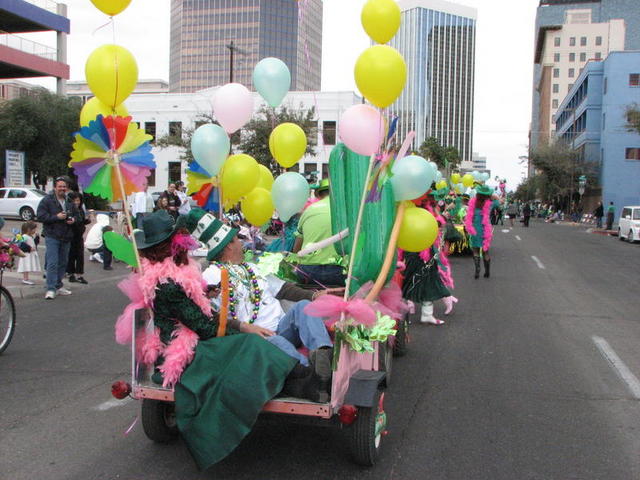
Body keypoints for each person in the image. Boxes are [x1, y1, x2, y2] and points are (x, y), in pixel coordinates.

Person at [117, 209, 304, 469]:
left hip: (191, 340)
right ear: (171, 246)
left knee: (249, 344)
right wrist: (243, 328)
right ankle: (294, 376)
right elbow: (204, 326)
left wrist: (206, 292)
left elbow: (192, 302)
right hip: (183, 352)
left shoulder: (172, 275)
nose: (186, 245)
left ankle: (291, 373)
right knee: (249, 345)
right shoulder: (168, 284)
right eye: (179, 240)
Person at [181, 208, 336, 400]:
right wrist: (246, 328)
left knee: (304, 306)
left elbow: (283, 289)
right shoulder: (209, 278)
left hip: (281, 328)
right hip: (253, 339)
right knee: (275, 341)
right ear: (229, 246)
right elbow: (210, 317)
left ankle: (322, 354)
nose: (242, 243)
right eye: (238, 239)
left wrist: (314, 296)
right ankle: (313, 376)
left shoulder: (252, 267)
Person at [293, 179, 346, 287]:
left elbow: (296, 249)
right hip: (338, 271)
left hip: (308, 272)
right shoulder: (345, 211)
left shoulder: (308, 210)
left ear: (320, 195)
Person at [36, 177, 76, 299]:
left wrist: (73, 220)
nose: (62, 189)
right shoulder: (47, 200)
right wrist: (56, 217)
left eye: (64, 187)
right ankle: (50, 288)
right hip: (52, 235)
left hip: (66, 236)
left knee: (63, 262)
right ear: (55, 187)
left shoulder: (69, 201)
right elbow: (40, 216)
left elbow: (77, 215)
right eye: (60, 186)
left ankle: (58, 285)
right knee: (52, 262)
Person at [465, 185, 497, 279]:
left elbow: (469, 217)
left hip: (475, 229)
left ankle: (477, 269)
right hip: (485, 229)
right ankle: (487, 271)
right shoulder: (490, 203)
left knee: (475, 250)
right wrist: (491, 196)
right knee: (485, 251)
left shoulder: (473, 202)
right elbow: (498, 201)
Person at [66, 192, 91, 284]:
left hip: (79, 236)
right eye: (74, 200)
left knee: (80, 255)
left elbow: (81, 222)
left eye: (78, 200)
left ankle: (79, 274)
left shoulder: (80, 210)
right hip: (71, 235)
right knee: (71, 255)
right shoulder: (69, 210)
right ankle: (70, 274)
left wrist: (87, 221)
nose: (77, 202)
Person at [17, 221, 41, 285]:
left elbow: (34, 243)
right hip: (26, 254)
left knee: (27, 266)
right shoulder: (25, 236)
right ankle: (25, 279)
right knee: (26, 266)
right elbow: (22, 245)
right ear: (29, 230)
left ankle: (26, 278)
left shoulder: (30, 236)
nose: (35, 230)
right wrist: (29, 248)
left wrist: (37, 238)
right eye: (34, 229)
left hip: (29, 254)